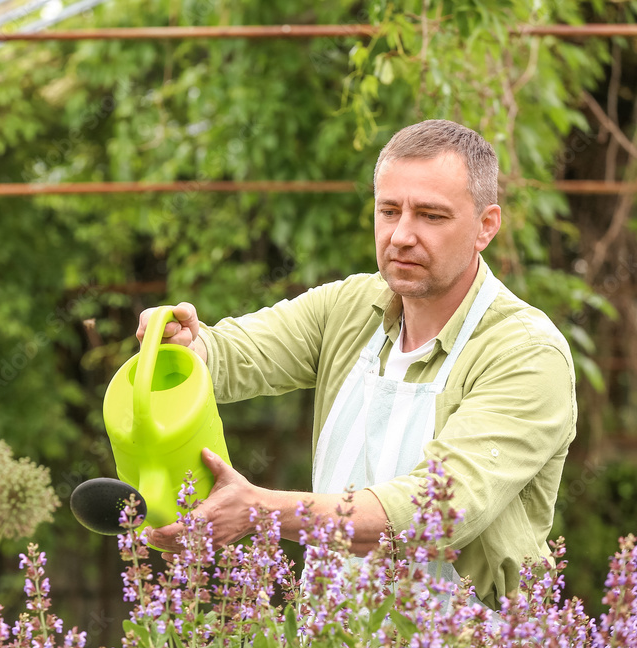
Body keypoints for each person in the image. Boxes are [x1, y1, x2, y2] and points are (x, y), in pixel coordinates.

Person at [135, 119, 576, 610]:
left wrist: (261, 510)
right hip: (332, 637)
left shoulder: (527, 353)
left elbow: (434, 512)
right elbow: (232, 356)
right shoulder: (348, 307)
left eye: (431, 216)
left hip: (470, 644)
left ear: (485, 226)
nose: (402, 235)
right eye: (389, 210)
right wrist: (183, 345)